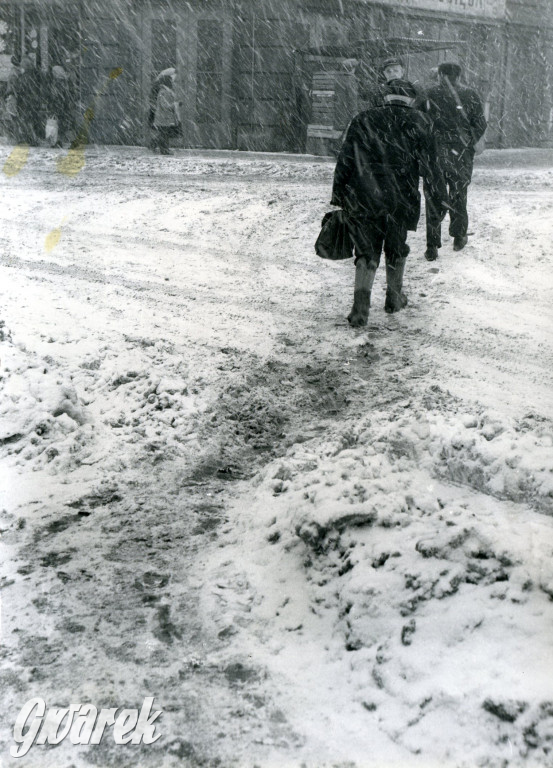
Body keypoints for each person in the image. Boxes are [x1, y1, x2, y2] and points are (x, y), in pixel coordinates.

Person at [330, 80, 448, 327]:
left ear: (385, 97)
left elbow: (346, 158)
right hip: (401, 195)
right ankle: (394, 298)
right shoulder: (422, 122)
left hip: (365, 195)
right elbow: (432, 166)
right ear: (411, 99)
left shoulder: (363, 119)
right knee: (396, 246)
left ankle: (360, 307)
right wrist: (437, 195)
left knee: (367, 249)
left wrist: (339, 194)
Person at [423, 61, 487, 260]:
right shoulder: (471, 94)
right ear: (459, 76)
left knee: (434, 196)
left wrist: (428, 142)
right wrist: (467, 142)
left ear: (439, 74)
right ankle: (459, 236)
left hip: (435, 152)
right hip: (460, 153)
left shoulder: (429, 94)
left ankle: (432, 245)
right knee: (459, 194)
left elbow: (419, 121)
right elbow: (480, 123)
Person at [151, 74, 179, 155]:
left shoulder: (165, 91)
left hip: (164, 117)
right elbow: (164, 105)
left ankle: (159, 146)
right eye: (170, 81)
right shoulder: (164, 92)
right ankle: (162, 148)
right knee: (164, 134)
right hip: (163, 117)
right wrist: (174, 105)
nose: (172, 83)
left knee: (164, 134)